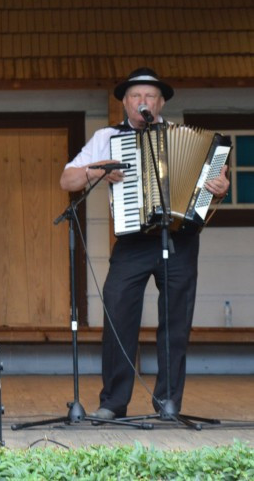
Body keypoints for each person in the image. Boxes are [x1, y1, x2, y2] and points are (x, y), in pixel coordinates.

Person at [60, 68, 230, 420]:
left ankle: (168, 402)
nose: (142, 103)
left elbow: (212, 184)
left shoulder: (181, 136)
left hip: (179, 237)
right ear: (124, 103)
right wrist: (97, 170)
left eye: (149, 96)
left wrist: (220, 188)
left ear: (161, 102)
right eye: (135, 97)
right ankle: (112, 403)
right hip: (133, 240)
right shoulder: (108, 137)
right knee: (118, 309)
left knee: (176, 321)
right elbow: (68, 179)